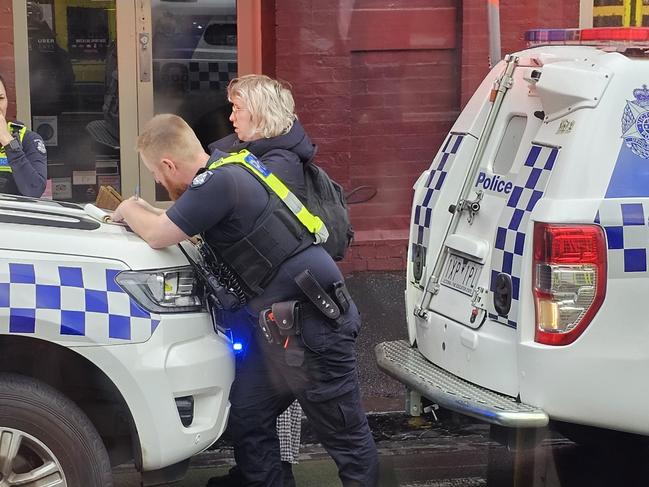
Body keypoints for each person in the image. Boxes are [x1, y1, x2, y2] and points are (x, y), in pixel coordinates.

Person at [112, 113, 379, 487]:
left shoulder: (218, 183)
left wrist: (127, 208)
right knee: (250, 415)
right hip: (281, 332)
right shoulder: (228, 171)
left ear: (169, 164)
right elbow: (177, 224)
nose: (158, 180)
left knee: (346, 437)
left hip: (316, 330)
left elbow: (160, 234)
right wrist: (146, 211)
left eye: (157, 173)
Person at [207, 74, 314, 487]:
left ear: (263, 114)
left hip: (279, 300)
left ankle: (272, 475)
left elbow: (241, 219)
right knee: (255, 396)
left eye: (237, 108)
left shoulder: (280, 166)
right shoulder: (253, 153)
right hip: (261, 296)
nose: (230, 116)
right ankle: (253, 472)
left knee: (269, 396)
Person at [0, 74, 47, 197]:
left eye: (0, 98)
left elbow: (35, 190)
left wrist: (8, 142)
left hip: (14, 215)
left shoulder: (27, 139)